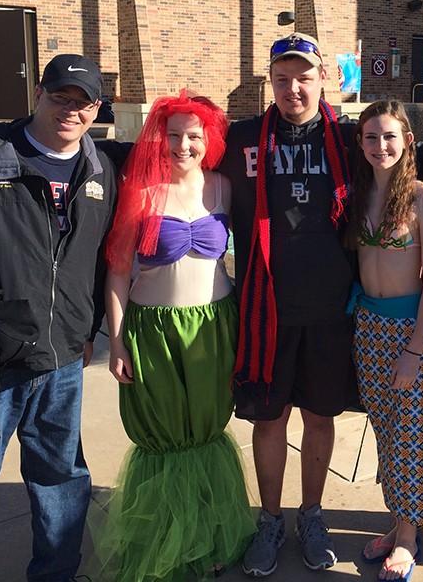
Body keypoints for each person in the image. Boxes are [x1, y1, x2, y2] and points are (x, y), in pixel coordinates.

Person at [0, 54, 119, 581]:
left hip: (61, 363)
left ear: (97, 109)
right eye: (59, 97)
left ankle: (56, 574)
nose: (70, 111)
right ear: (38, 94)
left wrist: (87, 332)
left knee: (61, 481)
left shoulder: (100, 167)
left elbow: (100, 259)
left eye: (82, 103)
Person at [217, 32, 358, 578]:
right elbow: (166, 152)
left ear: (324, 79)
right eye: (282, 79)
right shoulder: (243, 138)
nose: (293, 88)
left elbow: (410, 161)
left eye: (304, 77)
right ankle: (271, 518)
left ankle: (313, 513)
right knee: (269, 418)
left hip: (329, 309)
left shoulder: (348, 141)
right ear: (270, 83)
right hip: (264, 310)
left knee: (320, 417)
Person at [98, 91, 254, 580]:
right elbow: (119, 274)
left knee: (206, 428)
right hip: (154, 331)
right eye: (173, 136)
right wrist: (118, 341)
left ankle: (209, 532)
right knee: (164, 434)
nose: (182, 145)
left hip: (213, 325)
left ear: (209, 140)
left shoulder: (224, 189)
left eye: (193, 136)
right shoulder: (141, 192)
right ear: (157, 140)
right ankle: (165, 538)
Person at [349, 100, 423, 582]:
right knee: (387, 432)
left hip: (412, 332)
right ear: (361, 143)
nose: (380, 145)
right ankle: (397, 521)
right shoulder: (358, 193)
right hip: (368, 326)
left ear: (408, 140)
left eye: (389, 136)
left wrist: (414, 350)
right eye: (371, 137)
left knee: (412, 434)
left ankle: (409, 536)